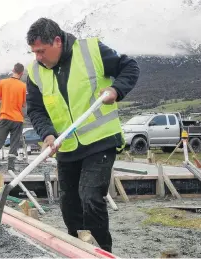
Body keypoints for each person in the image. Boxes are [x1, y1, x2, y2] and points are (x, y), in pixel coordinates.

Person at [25, 18, 140, 252]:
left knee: (90, 197)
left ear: (57, 41)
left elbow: (130, 67)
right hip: (66, 147)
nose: (37, 56)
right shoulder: (35, 71)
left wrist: (116, 89)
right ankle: (77, 251)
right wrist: (47, 134)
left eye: (41, 51)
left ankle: (101, 252)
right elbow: (36, 109)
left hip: (100, 141)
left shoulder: (90, 50)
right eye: (33, 51)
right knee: (69, 205)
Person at [0, 63, 27, 172]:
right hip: (18, 119)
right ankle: (11, 168)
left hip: (4, 117)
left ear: (13, 70)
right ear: (22, 73)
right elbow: (23, 104)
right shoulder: (23, 86)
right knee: (14, 143)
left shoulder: (3, 83)